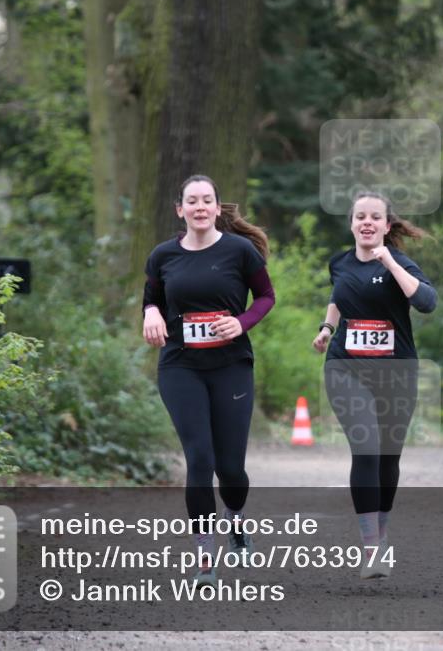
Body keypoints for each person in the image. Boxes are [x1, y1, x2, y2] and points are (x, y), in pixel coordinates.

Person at [142, 174, 275, 588]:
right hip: (180, 365)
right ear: (180, 210)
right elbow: (152, 297)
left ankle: (235, 519)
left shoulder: (240, 251)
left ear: (218, 208)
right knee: (199, 460)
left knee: (230, 469)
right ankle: (204, 558)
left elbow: (266, 297)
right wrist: (150, 312)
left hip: (231, 365)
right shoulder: (163, 255)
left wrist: (242, 322)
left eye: (207, 200)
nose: (200, 207)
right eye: (191, 201)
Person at [312, 191, 437, 579]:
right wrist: (327, 327)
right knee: (365, 450)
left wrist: (388, 261)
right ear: (351, 223)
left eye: (375, 217)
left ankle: (381, 536)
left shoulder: (401, 262)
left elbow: (427, 302)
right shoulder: (339, 263)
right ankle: (370, 550)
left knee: (388, 458)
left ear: (386, 225)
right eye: (360, 216)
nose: (367, 222)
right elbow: (339, 295)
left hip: (396, 373)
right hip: (346, 369)